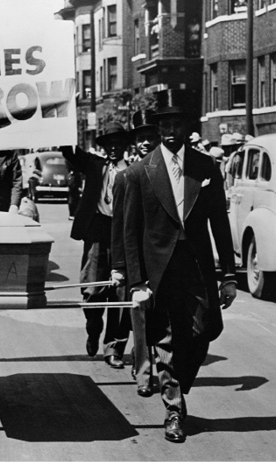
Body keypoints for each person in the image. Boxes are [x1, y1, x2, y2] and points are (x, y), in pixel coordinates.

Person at [123, 89, 237, 443]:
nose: (170, 131)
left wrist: (229, 276)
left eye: (176, 124)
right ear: (158, 130)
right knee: (168, 337)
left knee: (205, 331)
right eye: (164, 125)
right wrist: (136, 281)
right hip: (159, 270)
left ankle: (177, 386)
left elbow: (219, 222)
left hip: (197, 266)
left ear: (188, 127)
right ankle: (174, 408)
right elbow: (130, 232)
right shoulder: (140, 172)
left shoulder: (206, 167)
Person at [62, 123, 131, 369]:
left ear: (126, 146)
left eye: (119, 143)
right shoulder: (94, 164)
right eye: (109, 144)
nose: (114, 148)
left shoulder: (133, 171)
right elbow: (70, 153)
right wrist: (63, 122)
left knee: (121, 294)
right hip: (96, 231)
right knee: (92, 290)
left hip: (123, 234)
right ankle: (93, 328)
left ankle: (114, 348)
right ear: (103, 147)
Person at [111, 109, 160, 397]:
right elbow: (120, 226)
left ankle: (159, 364)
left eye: (150, 137)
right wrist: (119, 266)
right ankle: (144, 373)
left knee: (162, 319)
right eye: (141, 138)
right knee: (140, 317)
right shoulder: (126, 177)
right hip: (136, 260)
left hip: (164, 259)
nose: (145, 143)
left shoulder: (169, 174)